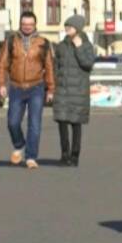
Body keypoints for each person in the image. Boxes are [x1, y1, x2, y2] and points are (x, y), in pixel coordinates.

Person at [0, 12, 55, 169]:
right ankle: (19, 144)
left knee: (34, 124)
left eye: (30, 24)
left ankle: (31, 157)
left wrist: (50, 89)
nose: (27, 27)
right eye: (24, 24)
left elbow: (49, 67)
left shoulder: (43, 43)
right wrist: (1, 84)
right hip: (16, 87)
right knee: (13, 122)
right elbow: (2, 64)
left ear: (35, 25)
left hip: (36, 87)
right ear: (20, 24)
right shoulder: (11, 41)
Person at [52, 15, 96, 167]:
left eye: (69, 26)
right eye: (66, 26)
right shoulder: (61, 46)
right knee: (62, 122)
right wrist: (55, 82)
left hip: (78, 90)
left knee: (76, 124)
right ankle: (64, 154)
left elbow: (88, 64)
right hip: (62, 90)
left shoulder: (86, 45)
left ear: (77, 28)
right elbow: (56, 66)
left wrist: (79, 47)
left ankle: (75, 155)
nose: (67, 29)